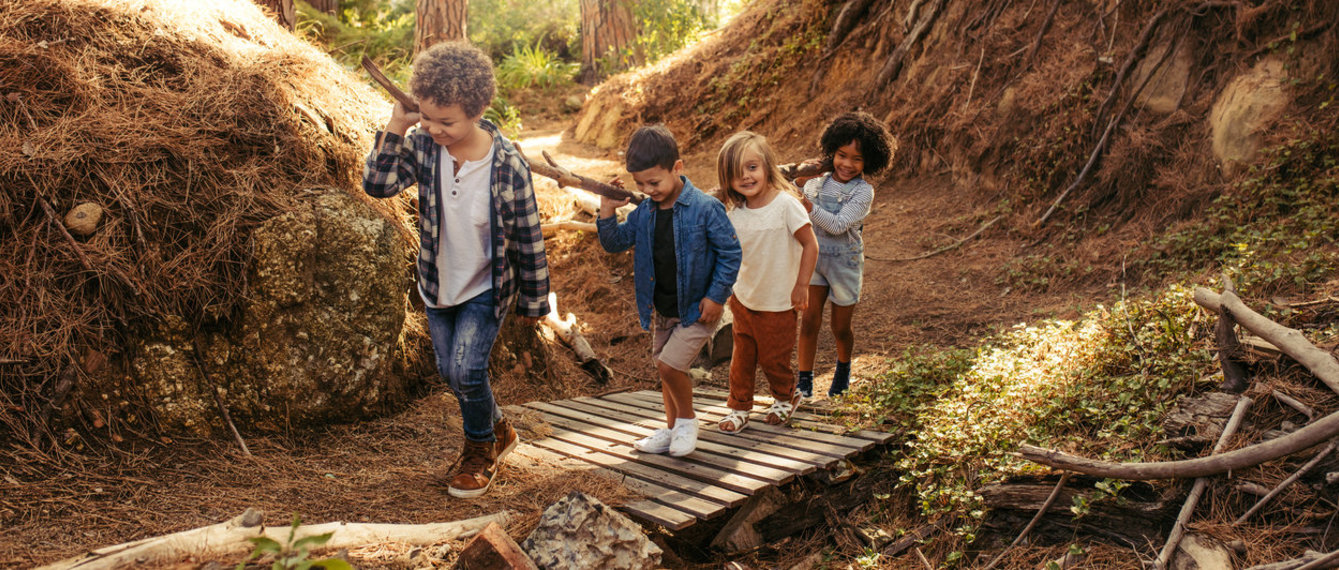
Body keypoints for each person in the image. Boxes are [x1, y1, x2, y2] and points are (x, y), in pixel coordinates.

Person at [362, 42, 549, 498]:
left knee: (466, 371)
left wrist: (534, 300)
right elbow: (378, 184)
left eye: (447, 121)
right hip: (438, 282)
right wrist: (398, 126)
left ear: (478, 110)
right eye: (427, 117)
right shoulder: (424, 147)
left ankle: (479, 452)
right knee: (451, 371)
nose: (435, 128)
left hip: (487, 286)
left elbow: (528, 234)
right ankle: (499, 427)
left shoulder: (507, 165)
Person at [597, 125, 741, 457]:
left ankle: (688, 422)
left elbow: (731, 253)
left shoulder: (705, 209)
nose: (648, 190)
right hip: (662, 309)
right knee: (665, 369)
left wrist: (717, 296)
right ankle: (673, 427)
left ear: (677, 168)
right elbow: (614, 242)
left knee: (669, 366)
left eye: (654, 182)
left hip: (697, 308)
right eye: (640, 185)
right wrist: (607, 209)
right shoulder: (644, 213)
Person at [714, 132, 818, 433]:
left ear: (767, 166)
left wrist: (802, 286)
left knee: (774, 358)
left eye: (752, 167)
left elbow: (810, 245)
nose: (745, 177)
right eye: (736, 173)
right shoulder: (734, 214)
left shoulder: (786, 204)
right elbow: (731, 256)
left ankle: (786, 396)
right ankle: (738, 406)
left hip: (779, 300)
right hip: (744, 299)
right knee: (741, 359)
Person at [796, 112, 896, 398]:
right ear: (831, 152)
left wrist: (805, 203)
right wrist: (800, 181)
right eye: (842, 155)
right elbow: (790, 194)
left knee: (840, 327)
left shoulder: (864, 192)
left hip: (845, 262)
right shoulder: (816, 182)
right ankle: (804, 381)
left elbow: (839, 225)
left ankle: (843, 369)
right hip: (814, 257)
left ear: (869, 162)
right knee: (809, 321)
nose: (847, 164)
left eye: (857, 159)